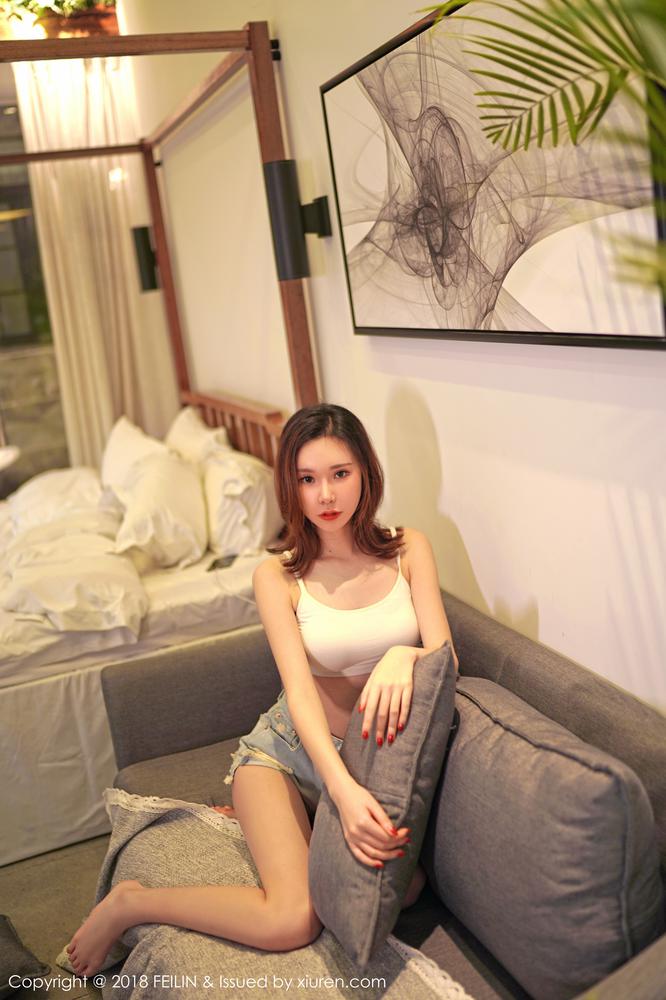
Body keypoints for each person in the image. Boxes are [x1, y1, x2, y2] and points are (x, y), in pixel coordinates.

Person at [67, 403, 457, 975]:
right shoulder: (278, 575)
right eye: (307, 479)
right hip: (287, 756)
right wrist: (342, 792)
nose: (326, 494)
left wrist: (405, 655)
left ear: (366, 471)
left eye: (340, 473)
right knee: (292, 920)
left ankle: (295, 826)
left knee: (410, 886)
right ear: (290, 487)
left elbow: (446, 659)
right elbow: (299, 693)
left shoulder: (408, 548)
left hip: (371, 760)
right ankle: (131, 902)